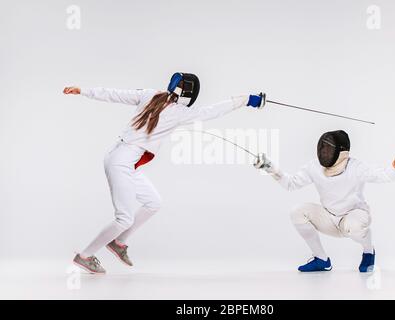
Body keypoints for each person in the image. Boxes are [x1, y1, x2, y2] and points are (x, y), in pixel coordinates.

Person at [63, 73, 264, 274]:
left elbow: (114, 94)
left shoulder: (151, 94)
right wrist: (246, 99)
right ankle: (85, 256)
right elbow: (212, 111)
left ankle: (118, 241)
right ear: (189, 93)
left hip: (123, 159)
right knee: (124, 219)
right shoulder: (178, 112)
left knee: (153, 202)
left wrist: (83, 91)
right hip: (121, 162)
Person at [254, 130, 395, 272]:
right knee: (297, 212)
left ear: (342, 152)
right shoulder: (314, 167)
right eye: (323, 148)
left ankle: (368, 252)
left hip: (354, 216)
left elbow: (383, 175)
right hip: (329, 218)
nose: (325, 152)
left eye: (330, 148)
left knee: (354, 226)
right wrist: (270, 168)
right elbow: (290, 184)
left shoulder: (355, 167)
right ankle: (321, 260)